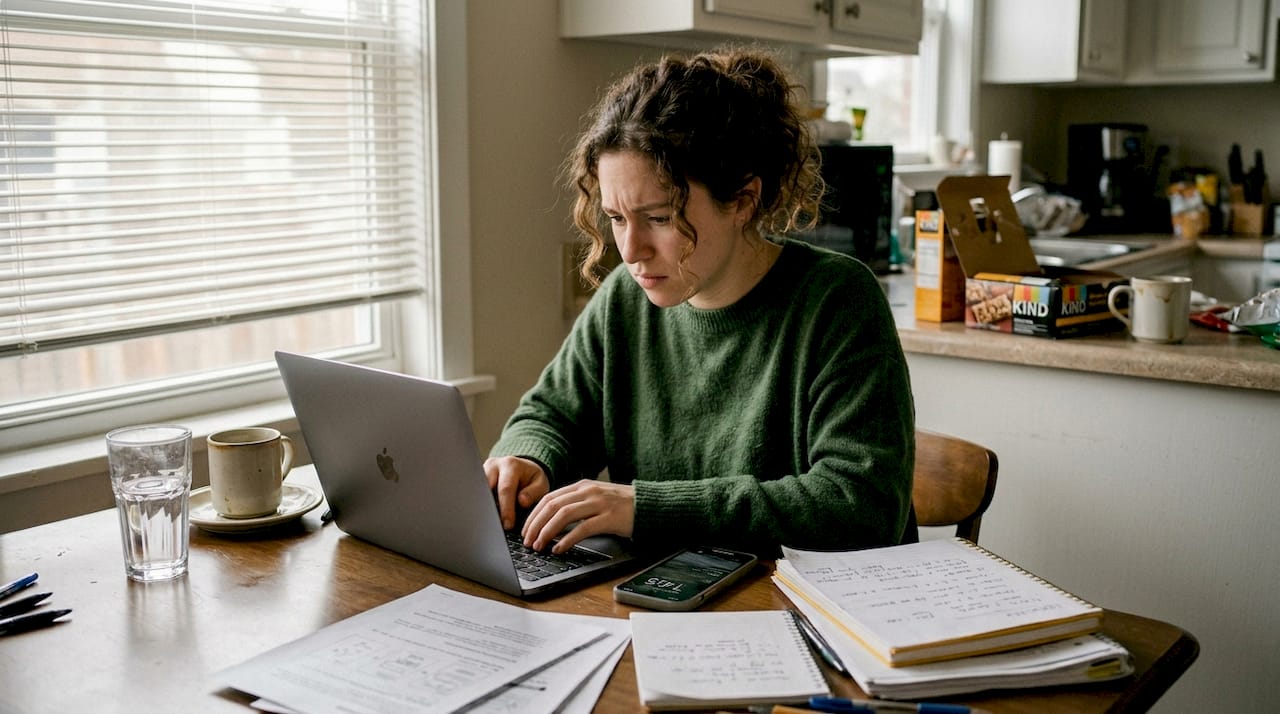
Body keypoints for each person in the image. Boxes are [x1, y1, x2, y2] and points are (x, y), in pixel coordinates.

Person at [484, 46, 915, 558]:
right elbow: (550, 415)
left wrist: (645, 509)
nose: (631, 249)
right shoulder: (626, 295)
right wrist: (528, 459)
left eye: (661, 218)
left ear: (743, 200)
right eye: (618, 218)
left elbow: (861, 506)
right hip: (665, 597)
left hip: (801, 617)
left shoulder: (837, 301)